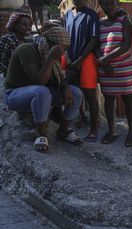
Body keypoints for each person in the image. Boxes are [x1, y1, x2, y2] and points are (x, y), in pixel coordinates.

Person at [4, 22, 83, 153]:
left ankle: (63, 131)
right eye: (62, 48)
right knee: (42, 91)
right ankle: (42, 135)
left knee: (76, 93)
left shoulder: (53, 56)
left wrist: (65, 87)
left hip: (39, 94)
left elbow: (59, 78)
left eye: (65, 48)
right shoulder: (26, 50)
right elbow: (39, 80)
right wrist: (51, 57)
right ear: (51, 44)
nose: (63, 52)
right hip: (15, 95)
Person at [97, 0, 132, 147]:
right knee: (108, 99)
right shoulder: (100, 23)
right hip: (105, 68)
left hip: (123, 67)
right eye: (105, 5)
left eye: (111, 4)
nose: (109, 7)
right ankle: (112, 131)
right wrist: (104, 64)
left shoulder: (124, 20)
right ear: (101, 6)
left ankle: (131, 132)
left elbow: (126, 45)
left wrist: (105, 59)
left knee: (128, 99)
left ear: (117, 3)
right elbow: (96, 44)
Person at [64, 0, 100, 142]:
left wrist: (80, 59)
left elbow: (94, 39)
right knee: (73, 92)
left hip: (86, 60)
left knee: (90, 95)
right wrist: (67, 58)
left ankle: (94, 129)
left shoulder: (91, 15)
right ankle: (79, 119)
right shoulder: (67, 14)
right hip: (70, 60)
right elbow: (64, 37)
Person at [0, 11, 32, 78]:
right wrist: (13, 74)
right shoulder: (7, 39)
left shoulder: (28, 41)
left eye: (29, 25)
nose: (28, 27)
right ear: (15, 26)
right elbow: (1, 63)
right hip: (8, 78)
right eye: (24, 24)